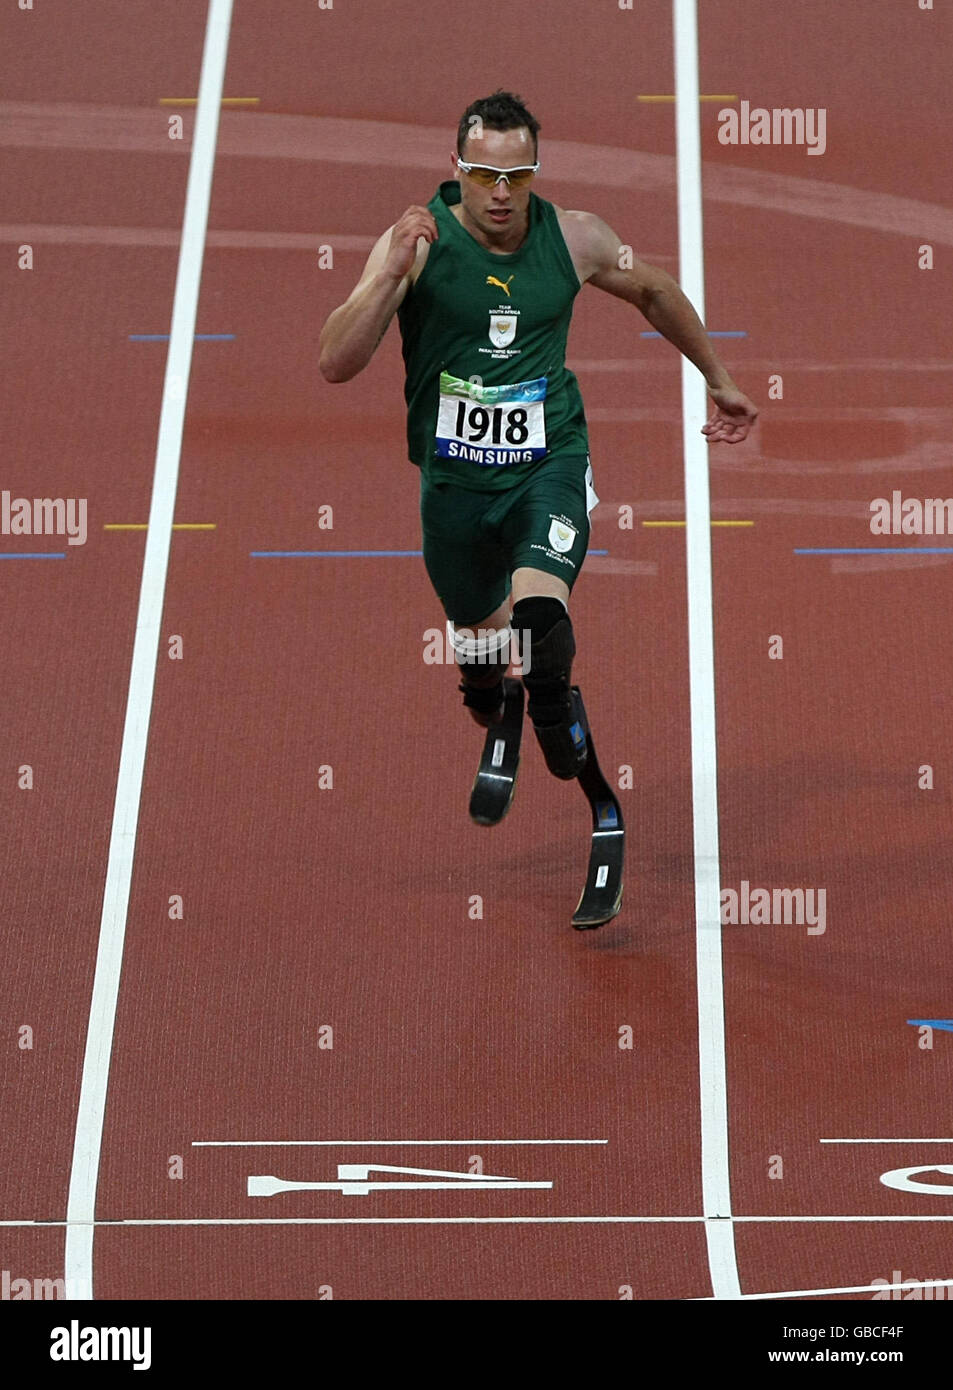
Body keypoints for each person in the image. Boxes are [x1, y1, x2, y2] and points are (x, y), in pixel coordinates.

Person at [319, 90, 758, 785]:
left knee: (541, 616)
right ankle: (492, 695)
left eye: (517, 177)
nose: (501, 194)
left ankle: (557, 724)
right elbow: (335, 363)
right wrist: (390, 280)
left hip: (546, 461)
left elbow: (652, 289)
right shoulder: (415, 241)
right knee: (482, 647)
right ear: (456, 167)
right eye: (484, 174)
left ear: (535, 171)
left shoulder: (575, 236)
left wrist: (716, 374)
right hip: (453, 484)